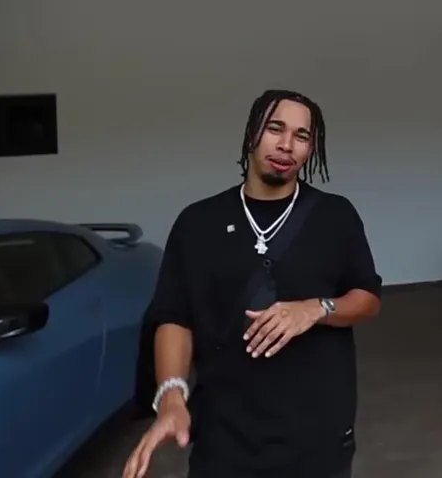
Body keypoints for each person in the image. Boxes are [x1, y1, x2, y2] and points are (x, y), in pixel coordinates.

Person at [122, 90, 383, 478]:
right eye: (275, 129)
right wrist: (172, 397)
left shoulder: (335, 216)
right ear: (251, 134)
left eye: (301, 136)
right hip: (224, 437)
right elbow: (174, 316)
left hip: (318, 435)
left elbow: (367, 298)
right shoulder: (198, 223)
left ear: (311, 149)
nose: (286, 144)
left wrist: (317, 308)